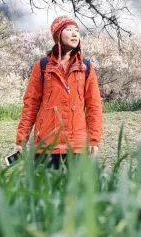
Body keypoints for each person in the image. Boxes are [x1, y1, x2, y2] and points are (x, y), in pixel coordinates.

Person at [14, 15, 103, 169]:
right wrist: (21, 139)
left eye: (77, 30)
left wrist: (94, 139)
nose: (75, 34)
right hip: (46, 145)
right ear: (58, 35)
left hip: (76, 146)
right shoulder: (42, 66)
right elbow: (31, 105)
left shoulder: (86, 68)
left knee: (75, 192)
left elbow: (94, 106)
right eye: (69, 30)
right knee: (44, 192)